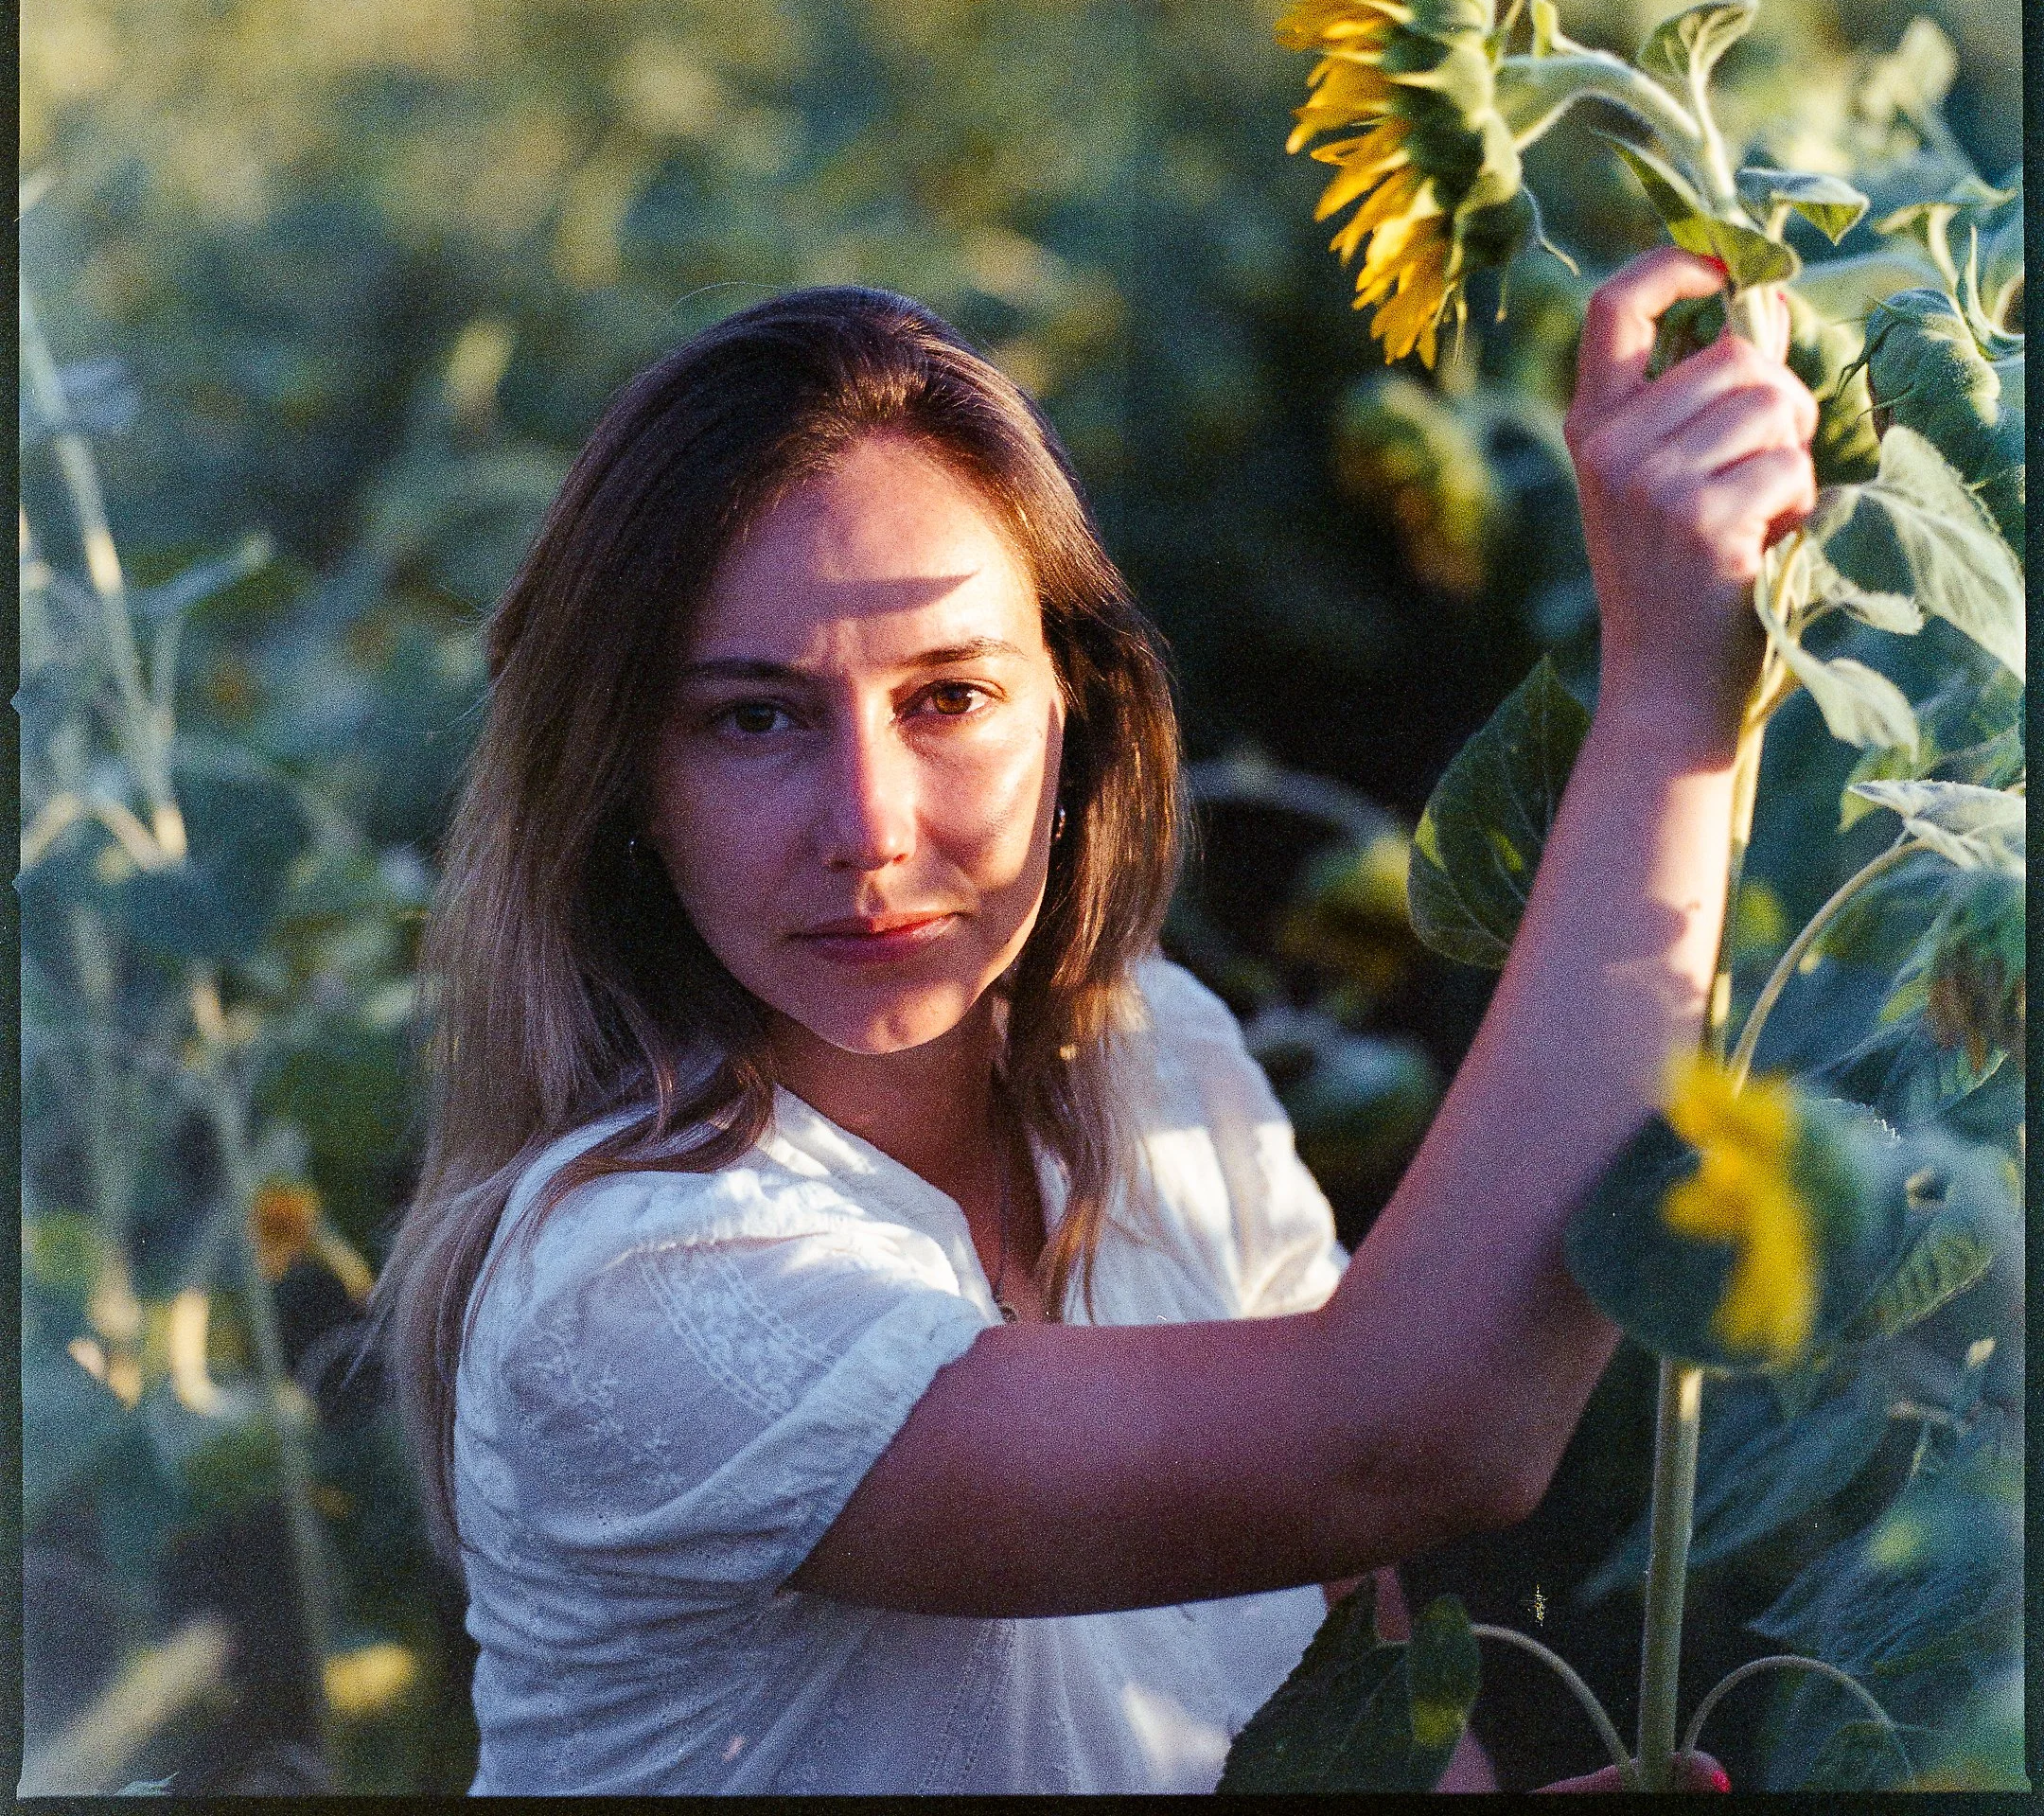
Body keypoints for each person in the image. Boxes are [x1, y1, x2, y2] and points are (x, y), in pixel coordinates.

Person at [377, 250, 1812, 1793]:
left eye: (949, 698)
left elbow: (1358, 1697)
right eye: (755, 718)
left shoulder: (1156, 1058)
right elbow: (1413, 1440)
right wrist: (1669, 703)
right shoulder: (637, 1279)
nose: (869, 826)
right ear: (624, 787)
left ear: (1076, 706)